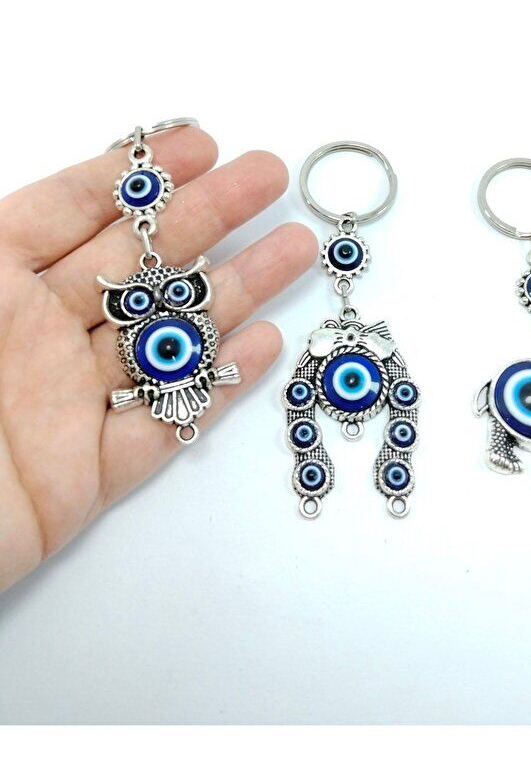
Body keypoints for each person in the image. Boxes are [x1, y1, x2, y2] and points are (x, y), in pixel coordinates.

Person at [0, 126, 318, 593]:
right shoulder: (135, 333)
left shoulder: (189, 321)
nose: (160, 304)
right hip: (158, 387)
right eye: (137, 303)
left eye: (179, 293)